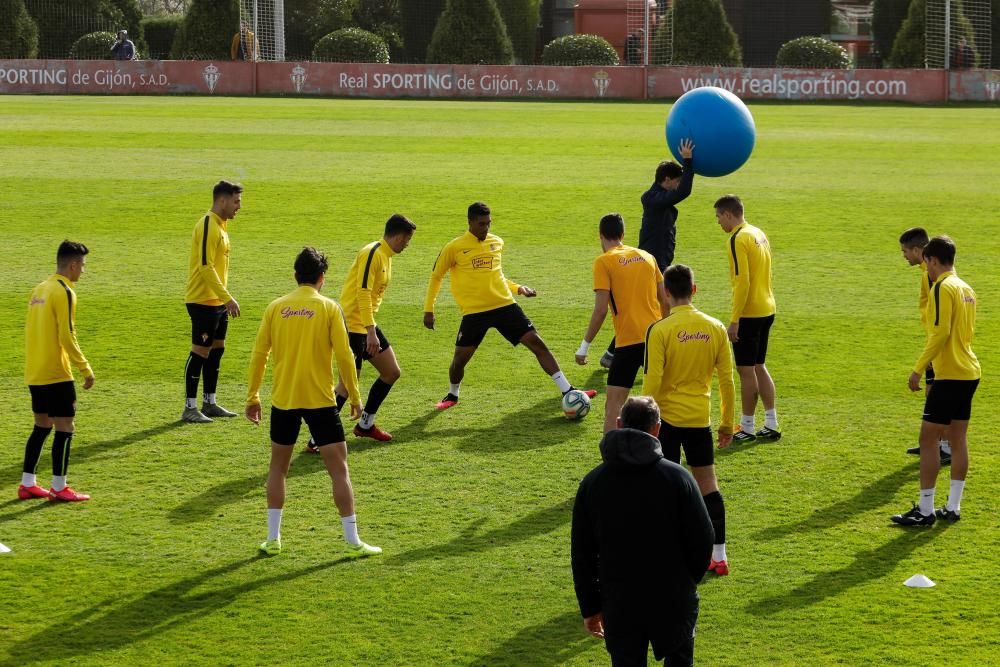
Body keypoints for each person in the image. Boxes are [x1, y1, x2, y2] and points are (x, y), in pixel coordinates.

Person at [246, 247, 381, 557]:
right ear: (322, 278)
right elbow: (346, 357)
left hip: (284, 400)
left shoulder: (275, 308)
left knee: (277, 469)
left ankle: (272, 538)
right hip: (321, 402)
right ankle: (352, 541)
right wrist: (356, 398)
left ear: (296, 276)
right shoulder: (330, 308)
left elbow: (259, 355)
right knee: (339, 471)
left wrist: (253, 396)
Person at [572, 395, 714, 666]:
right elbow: (703, 538)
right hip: (672, 596)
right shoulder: (678, 478)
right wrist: (686, 582)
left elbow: (582, 553)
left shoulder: (593, 483)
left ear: (618, 423)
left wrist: (590, 607)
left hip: (620, 600)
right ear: (657, 429)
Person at [423, 202, 595, 410]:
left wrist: (518, 288)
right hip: (475, 312)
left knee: (537, 343)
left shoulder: (497, 242)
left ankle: (568, 390)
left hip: (505, 306)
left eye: (489, 223)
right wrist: (429, 310)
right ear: (469, 222)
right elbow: (436, 277)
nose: (486, 228)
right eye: (481, 224)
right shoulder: (454, 247)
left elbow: (497, 275)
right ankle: (452, 394)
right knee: (459, 361)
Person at [642, 264, 735, 576]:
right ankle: (718, 555)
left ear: (666, 293)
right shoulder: (716, 327)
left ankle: (668, 553)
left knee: (664, 487)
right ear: (694, 290)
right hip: (699, 420)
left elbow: (652, 380)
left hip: (665, 421)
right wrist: (726, 423)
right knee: (708, 487)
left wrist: (641, 423)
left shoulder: (660, 330)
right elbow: (727, 381)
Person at [305, 214, 417, 451]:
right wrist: (370, 332)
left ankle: (365, 425)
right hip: (353, 327)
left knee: (391, 372)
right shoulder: (373, 253)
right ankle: (317, 439)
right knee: (346, 385)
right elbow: (363, 292)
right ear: (398, 236)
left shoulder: (386, 256)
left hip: (366, 325)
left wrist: (371, 327)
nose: (407, 244)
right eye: (407, 239)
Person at [892, 236, 979, 527]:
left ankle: (926, 510)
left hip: (950, 373)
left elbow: (939, 334)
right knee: (958, 438)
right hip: (969, 371)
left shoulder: (942, 287)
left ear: (932, 260)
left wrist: (918, 369)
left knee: (928, 439)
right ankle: (953, 507)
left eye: (926, 263)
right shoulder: (966, 288)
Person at [601, 139, 694, 370]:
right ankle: (636, 354)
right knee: (654, 306)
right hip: (652, 261)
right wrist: (689, 161)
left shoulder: (657, 197)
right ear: (667, 180)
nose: (678, 185)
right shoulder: (653, 198)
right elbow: (684, 192)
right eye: (676, 180)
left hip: (659, 259)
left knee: (650, 306)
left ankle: (613, 353)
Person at [576, 213, 668, 433]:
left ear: (601, 236)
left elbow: (600, 311)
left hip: (627, 342)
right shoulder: (647, 256)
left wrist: (584, 346)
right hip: (655, 338)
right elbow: (664, 300)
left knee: (614, 406)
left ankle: (613, 458)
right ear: (623, 234)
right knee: (660, 404)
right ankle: (661, 454)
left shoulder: (604, 261)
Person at [19, 241, 95, 503]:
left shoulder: (39, 289)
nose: (83, 271)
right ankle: (59, 487)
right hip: (56, 373)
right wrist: (85, 367)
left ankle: (27, 483)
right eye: (83, 266)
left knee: (41, 425)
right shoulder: (64, 291)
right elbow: (67, 334)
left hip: (35, 371)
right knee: (65, 427)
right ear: (73, 265)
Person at [714, 195, 780, 444]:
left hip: (750, 313)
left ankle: (748, 427)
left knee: (745, 370)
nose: (719, 222)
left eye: (719, 217)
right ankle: (771, 422)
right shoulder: (757, 232)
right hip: (768, 307)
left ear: (729, 215)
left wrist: (734, 320)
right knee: (759, 365)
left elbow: (743, 282)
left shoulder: (737, 238)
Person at [182, 180, 243, 423]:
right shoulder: (208, 224)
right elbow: (205, 266)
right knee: (200, 352)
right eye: (236, 201)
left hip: (217, 300)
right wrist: (228, 298)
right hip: (202, 300)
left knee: (217, 350)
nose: (239, 206)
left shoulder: (222, 225)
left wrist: (223, 298)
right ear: (222, 200)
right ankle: (189, 407)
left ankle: (210, 402)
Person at [899, 227, 951, 465]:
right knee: (933, 390)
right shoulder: (927, 273)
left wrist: (930, 350)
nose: (904, 256)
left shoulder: (932, 275)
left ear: (919, 251)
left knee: (939, 393)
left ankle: (944, 446)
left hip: (938, 343)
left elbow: (939, 315)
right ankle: (934, 443)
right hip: (933, 340)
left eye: (905, 251)